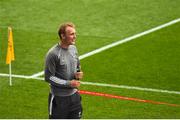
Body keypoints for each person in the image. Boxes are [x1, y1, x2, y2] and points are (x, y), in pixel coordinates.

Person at [44, 22, 83, 119]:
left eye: (75, 34)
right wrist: (68, 83)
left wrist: (78, 73)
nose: (75, 36)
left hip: (74, 97)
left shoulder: (74, 49)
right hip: (59, 99)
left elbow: (77, 66)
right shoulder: (53, 54)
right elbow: (49, 77)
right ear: (63, 36)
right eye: (72, 34)